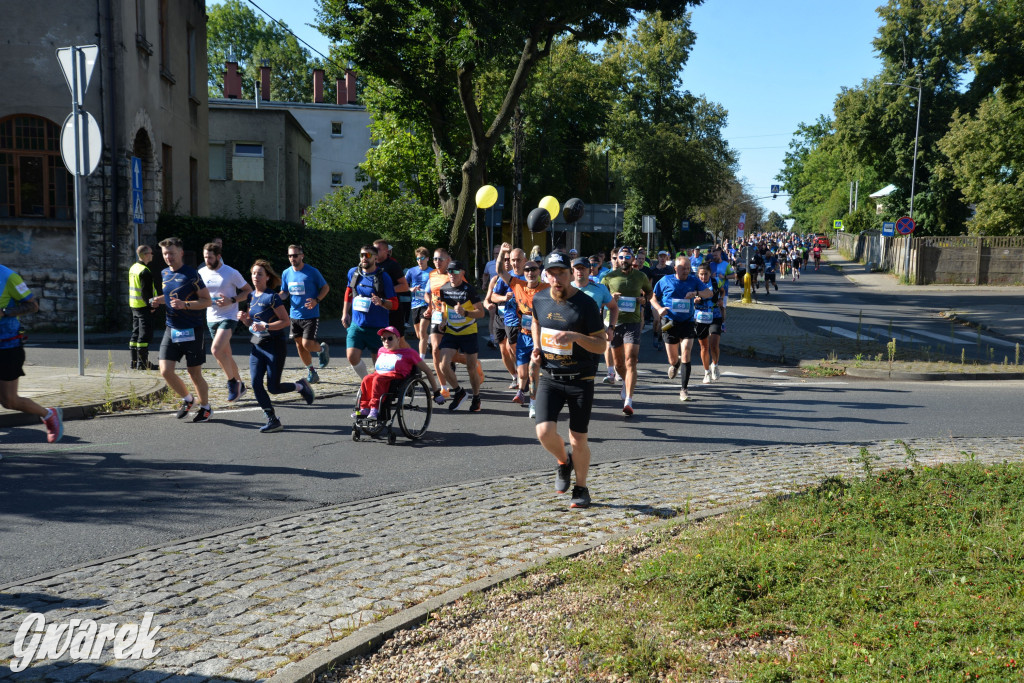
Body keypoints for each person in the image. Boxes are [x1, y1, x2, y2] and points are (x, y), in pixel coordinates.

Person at [530, 251, 607, 509]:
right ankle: (564, 463)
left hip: (580, 379)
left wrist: (575, 337)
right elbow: (535, 321)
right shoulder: (539, 298)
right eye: (552, 274)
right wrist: (537, 346)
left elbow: (601, 345)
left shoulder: (585, 304)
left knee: (578, 439)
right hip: (550, 376)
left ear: (570, 273)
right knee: (543, 432)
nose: (556, 279)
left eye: (561, 273)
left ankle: (582, 488)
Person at [237, 260, 315, 432]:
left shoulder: (272, 297)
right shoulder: (251, 297)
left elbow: (285, 321)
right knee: (256, 382)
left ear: (267, 277)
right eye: (253, 274)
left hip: (275, 345)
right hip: (258, 345)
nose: (255, 277)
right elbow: (252, 322)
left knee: (273, 387)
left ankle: (301, 386)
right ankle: (272, 419)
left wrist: (266, 326)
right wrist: (245, 319)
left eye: (259, 274)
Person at [151, 237, 214, 422]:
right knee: (165, 370)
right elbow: (171, 296)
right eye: (164, 254)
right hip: (171, 328)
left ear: (181, 253)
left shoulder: (191, 275)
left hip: (192, 329)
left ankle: (205, 407)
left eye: (171, 253)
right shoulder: (164, 273)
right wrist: (159, 300)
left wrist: (185, 304)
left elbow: (206, 301)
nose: (168, 257)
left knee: (194, 373)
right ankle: (188, 400)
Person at [0, 264, 63, 443]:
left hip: (7, 347)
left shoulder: (8, 277)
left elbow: (32, 306)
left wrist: (5, 313)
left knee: (9, 401)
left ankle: (49, 414)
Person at [496, 243, 549, 417]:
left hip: (540, 336)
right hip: (523, 335)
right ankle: (522, 391)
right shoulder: (517, 285)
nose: (530, 273)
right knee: (522, 372)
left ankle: (533, 403)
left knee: (534, 370)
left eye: (534, 269)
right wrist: (503, 252)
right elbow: (499, 271)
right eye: (527, 271)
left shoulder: (546, 289)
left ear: (538, 271)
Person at [601, 246, 652, 416]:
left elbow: (650, 293)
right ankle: (625, 381)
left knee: (631, 360)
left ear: (633, 259)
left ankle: (629, 400)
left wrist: (644, 299)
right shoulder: (608, 277)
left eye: (627, 257)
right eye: (620, 257)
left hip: (633, 322)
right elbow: (601, 298)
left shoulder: (641, 276)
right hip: (615, 322)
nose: (623, 260)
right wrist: (610, 299)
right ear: (616, 259)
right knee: (619, 364)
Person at [651, 256, 711, 401]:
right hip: (669, 322)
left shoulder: (693, 280)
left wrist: (696, 293)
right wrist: (659, 309)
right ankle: (675, 363)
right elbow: (652, 297)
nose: (686, 271)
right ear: (675, 268)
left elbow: (709, 293)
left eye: (688, 268)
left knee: (686, 351)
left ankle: (684, 389)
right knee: (672, 359)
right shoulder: (665, 280)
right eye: (683, 268)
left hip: (688, 322)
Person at [199, 241, 252, 402]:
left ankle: (231, 383)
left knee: (215, 350)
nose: (207, 260)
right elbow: (197, 294)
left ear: (218, 257)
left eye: (210, 257)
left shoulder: (230, 272)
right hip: (211, 317)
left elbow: (248, 291)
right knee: (225, 354)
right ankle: (240, 385)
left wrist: (232, 300)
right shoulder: (200, 272)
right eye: (205, 257)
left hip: (229, 316)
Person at [353, 326, 444, 419]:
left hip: (397, 378)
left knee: (377, 379)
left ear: (398, 339)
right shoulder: (381, 351)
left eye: (390, 338)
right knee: (367, 378)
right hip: (380, 376)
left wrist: (436, 392)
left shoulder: (409, 353)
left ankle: (374, 409)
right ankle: (364, 408)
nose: (386, 341)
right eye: (383, 339)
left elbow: (427, 371)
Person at [435, 260, 486, 412]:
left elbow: (481, 313)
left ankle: (476, 397)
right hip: (451, 332)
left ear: (462, 273)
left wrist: (466, 313)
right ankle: (459, 392)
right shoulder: (444, 289)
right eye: (449, 271)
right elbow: (444, 308)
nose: (452, 274)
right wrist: (442, 322)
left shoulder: (469, 289)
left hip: (468, 331)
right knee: (443, 364)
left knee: (471, 368)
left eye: (456, 271)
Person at [342, 245, 398, 378]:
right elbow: (349, 291)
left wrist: (382, 302)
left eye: (367, 255)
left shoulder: (384, 277)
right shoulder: (354, 273)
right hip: (357, 325)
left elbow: (395, 304)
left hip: (377, 328)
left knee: (378, 363)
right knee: (352, 356)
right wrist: (345, 313)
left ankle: (382, 386)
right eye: (361, 255)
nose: (363, 258)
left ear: (376, 258)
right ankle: (365, 381)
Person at [280, 244, 330, 384]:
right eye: (290, 255)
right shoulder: (286, 273)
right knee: (299, 346)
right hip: (294, 316)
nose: (292, 258)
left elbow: (325, 288)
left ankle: (321, 349)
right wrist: (277, 298)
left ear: (302, 256)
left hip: (310, 315)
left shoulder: (312, 272)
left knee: (307, 344)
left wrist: (316, 300)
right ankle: (311, 372)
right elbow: (285, 292)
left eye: (295, 255)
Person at [127, 244, 160, 370]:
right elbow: (146, 292)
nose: (152, 255)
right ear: (145, 255)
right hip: (143, 306)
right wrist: (151, 305)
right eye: (151, 253)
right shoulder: (145, 271)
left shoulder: (133, 268)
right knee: (144, 335)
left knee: (135, 333)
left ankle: (134, 362)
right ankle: (143, 363)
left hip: (134, 305)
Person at [693, 263, 724, 383]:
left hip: (714, 315)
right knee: (704, 347)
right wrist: (693, 300)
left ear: (710, 273)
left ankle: (715, 365)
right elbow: (687, 296)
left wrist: (721, 299)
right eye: (701, 274)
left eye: (706, 274)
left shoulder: (716, 281)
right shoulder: (694, 283)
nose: (703, 277)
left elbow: (722, 291)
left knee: (714, 344)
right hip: (700, 316)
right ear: (698, 274)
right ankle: (706, 372)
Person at [374, 239, 410, 332]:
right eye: (373, 249)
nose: (375, 251)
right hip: (375, 308)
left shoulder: (392, 265)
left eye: (378, 249)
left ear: (386, 251)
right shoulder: (370, 264)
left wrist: (385, 290)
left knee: (398, 340)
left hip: (392, 308)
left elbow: (404, 286)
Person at [406, 247, 433, 359]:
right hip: (415, 304)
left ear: (427, 258)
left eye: (422, 258)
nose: (420, 260)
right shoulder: (411, 271)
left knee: (422, 332)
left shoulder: (432, 272)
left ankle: (420, 360)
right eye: (418, 258)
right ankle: (431, 341)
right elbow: (404, 285)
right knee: (419, 335)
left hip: (427, 304)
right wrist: (411, 289)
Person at [648, 250, 675, 349]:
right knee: (656, 320)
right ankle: (655, 334)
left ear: (667, 258)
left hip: (667, 300)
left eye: (664, 257)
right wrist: (648, 295)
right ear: (658, 258)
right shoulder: (653, 270)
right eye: (661, 257)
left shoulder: (670, 270)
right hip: (655, 299)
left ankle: (661, 337)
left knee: (665, 322)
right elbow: (649, 284)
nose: (662, 258)